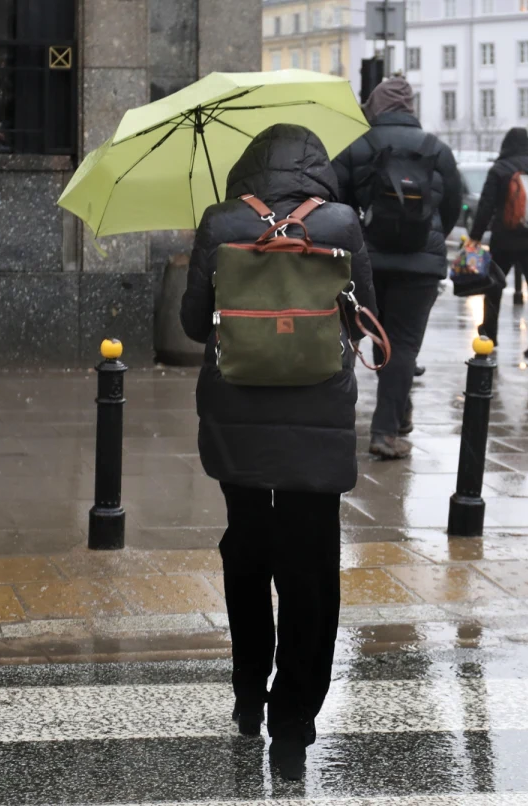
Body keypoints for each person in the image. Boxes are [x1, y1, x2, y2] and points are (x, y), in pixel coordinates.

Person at [180, 123, 377, 780]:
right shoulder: (343, 224)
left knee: (248, 547)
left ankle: (247, 694)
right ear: (317, 168)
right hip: (317, 416)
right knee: (310, 566)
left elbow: (189, 323)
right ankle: (293, 720)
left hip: (237, 413)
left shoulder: (220, 219)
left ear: (248, 167)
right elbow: (366, 318)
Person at [333, 77, 462, 459]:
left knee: (353, 337)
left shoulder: (356, 145)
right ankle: (386, 431)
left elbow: (336, 202)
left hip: (365, 260)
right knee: (402, 346)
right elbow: (453, 204)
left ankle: (337, 421)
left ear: (373, 106)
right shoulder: (436, 149)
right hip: (419, 266)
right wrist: (428, 236)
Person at [468, 127, 528, 360]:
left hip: (505, 239)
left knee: (494, 287)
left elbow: (485, 206)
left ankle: (489, 335)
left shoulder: (499, 170)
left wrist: (475, 237)